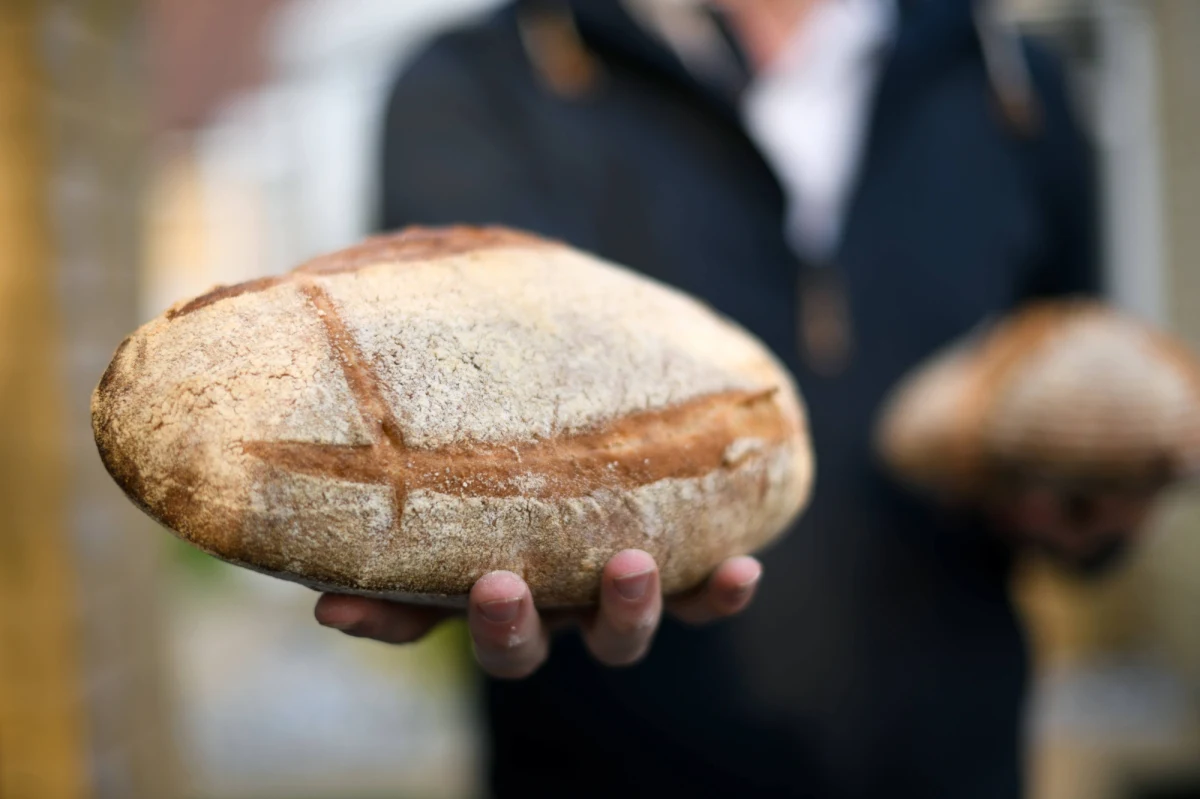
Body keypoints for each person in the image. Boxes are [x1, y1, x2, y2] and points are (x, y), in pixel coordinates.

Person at [313, 1, 1157, 796]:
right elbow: (435, 434)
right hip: (604, 769)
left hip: (955, 768)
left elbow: (1081, 399)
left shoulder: (1012, 85)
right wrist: (445, 566)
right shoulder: (481, 83)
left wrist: (1089, 514)